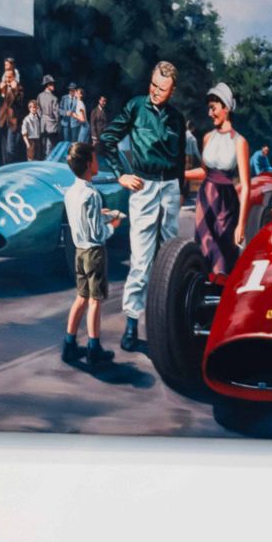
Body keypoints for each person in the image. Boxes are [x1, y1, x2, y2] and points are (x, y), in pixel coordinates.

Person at [100, 60, 188, 352]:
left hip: (170, 190)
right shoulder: (136, 107)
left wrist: (180, 190)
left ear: (172, 91)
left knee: (169, 258)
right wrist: (120, 175)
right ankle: (131, 326)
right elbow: (108, 139)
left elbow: (179, 159)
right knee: (140, 260)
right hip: (144, 187)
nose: (155, 92)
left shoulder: (177, 119)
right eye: (153, 85)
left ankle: (166, 324)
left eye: (162, 89)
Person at [62, 141, 124, 368]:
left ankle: (69, 344)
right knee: (95, 301)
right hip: (94, 253)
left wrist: (102, 213)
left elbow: (84, 219)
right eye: (96, 160)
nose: (98, 163)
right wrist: (113, 225)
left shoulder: (71, 193)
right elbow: (97, 233)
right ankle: (93, 348)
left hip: (79, 251)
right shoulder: (92, 194)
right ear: (89, 165)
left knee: (81, 297)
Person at [186, 83, 251, 278]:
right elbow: (203, 172)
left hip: (226, 203)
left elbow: (246, 186)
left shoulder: (240, 142)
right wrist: (181, 174)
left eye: (213, 108)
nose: (210, 113)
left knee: (223, 256)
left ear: (226, 108)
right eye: (209, 108)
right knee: (204, 249)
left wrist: (241, 224)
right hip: (205, 199)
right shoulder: (207, 138)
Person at [0, 60, 22, 164]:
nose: (8, 80)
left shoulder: (19, 88)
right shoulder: (3, 87)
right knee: (4, 147)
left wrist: (14, 90)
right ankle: (5, 166)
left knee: (10, 148)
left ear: (14, 78)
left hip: (12, 121)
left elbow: (17, 102)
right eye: (6, 77)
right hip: (3, 120)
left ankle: (11, 166)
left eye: (10, 77)